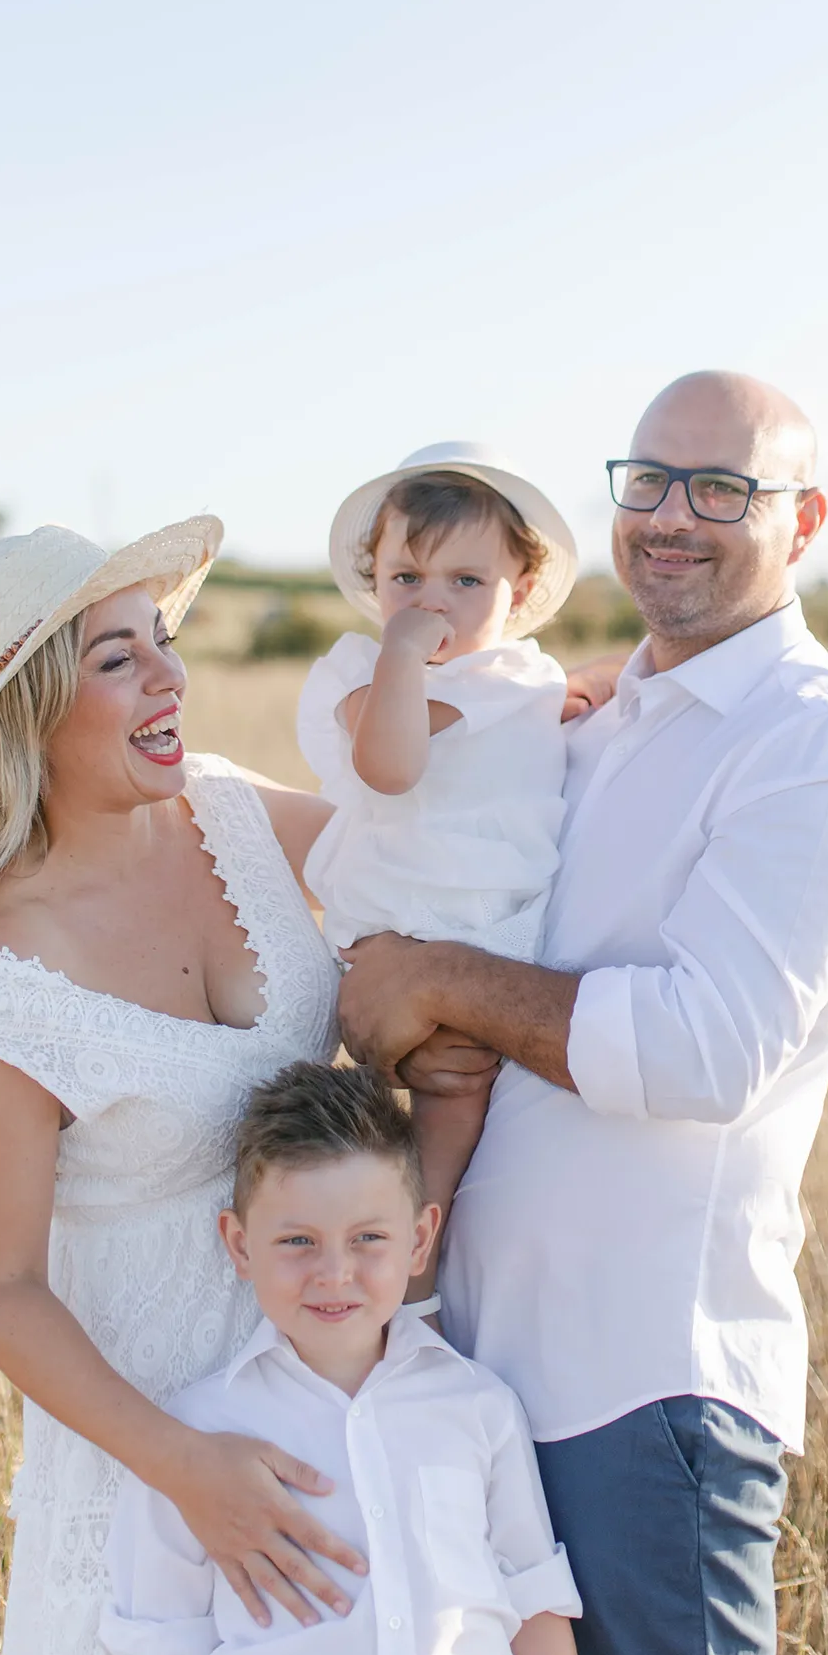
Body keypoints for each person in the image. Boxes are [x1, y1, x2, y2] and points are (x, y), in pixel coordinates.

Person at [339, 371, 828, 1655]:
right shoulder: (610, 722)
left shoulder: (820, 752)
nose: (674, 515)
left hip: (648, 1381)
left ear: (801, 523)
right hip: (489, 1362)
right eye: (650, 479)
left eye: (722, 489)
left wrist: (444, 981)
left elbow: (707, 1048)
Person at [0, 520, 355, 1655]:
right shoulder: (1, 984)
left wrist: (561, 705)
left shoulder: (229, 812)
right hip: (145, 1468)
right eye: (119, 654)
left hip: (325, 1425)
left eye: (164, 636)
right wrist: (184, 1466)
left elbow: (435, 841)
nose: (169, 674)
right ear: (35, 709)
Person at [101, 1060, 601, 1655]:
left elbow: (537, 1620)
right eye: (296, 1240)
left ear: (420, 1238)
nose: (334, 1273)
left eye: (367, 1237)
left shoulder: (477, 1409)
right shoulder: (198, 1441)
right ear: (236, 1244)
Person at [297, 442, 577, 1232]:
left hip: (495, 916)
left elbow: (530, 719)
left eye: (466, 581)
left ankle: (422, 1228)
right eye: (407, 580)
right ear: (373, 582)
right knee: (437, 1084)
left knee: (471, 1084)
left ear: (517, 593)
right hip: (405, 909)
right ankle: (407, 1234)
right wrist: (402, 657)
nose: (434, 604)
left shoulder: (523, 676)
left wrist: (580, 693)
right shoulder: (365, 673)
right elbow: (390, 768)